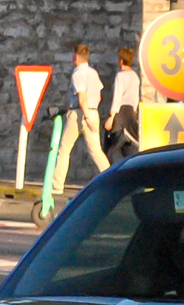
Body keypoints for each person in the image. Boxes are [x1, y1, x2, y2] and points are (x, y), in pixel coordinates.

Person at [37, 43, 111, 217]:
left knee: (64, 149)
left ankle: (57, 184)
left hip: (79, 113)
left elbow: (82, 96)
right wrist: (91, 114)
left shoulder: (78, 74)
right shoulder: (93, 73)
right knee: (96, 150)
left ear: (77, 57)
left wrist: (84, 115)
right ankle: (110, 177)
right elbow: (99, 95)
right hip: (93, 112)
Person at [106, 45, 142, 162]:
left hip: (120, 112)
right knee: (126, 149)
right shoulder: (135, 76)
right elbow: (135, 98)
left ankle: (108, 171)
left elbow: (117, 96)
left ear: (121, 61)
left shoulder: (120, 76)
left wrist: (111, 117)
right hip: (131, 111)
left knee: (111, 147)